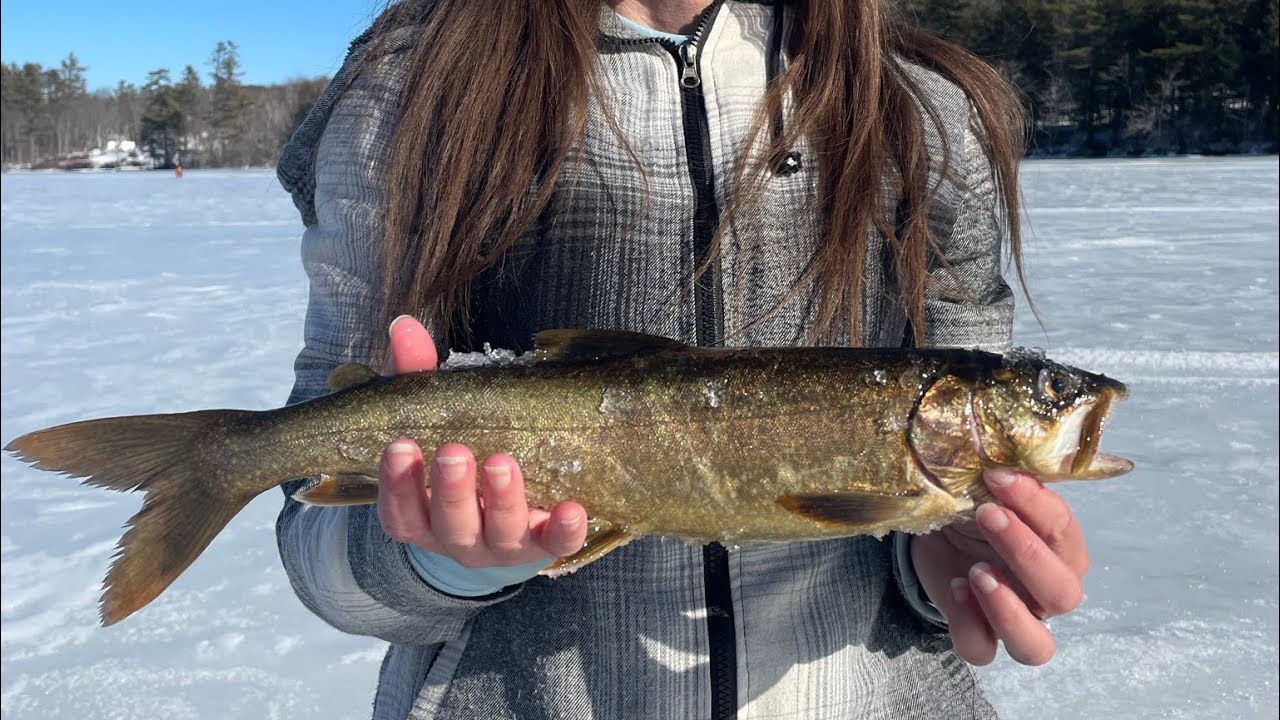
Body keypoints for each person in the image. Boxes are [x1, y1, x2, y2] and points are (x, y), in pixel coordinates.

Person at [275, 1, 1090, 717]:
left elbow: (946, 477)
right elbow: (317, 539)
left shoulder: (924, 106)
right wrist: (436, 559)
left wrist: (941, 553)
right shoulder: (413, 89)